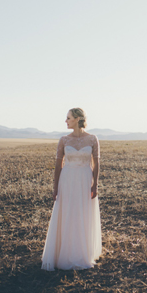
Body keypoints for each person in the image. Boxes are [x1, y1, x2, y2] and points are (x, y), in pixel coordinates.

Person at [41, 107, 102, 270]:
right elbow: (57, 165)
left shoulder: (93, 139)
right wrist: (55, 188)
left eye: (68, 118)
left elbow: (96, 163)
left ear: (77, 119)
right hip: (67, 180)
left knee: (83, 213)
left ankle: (83, 252)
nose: (66, 121)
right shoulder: (63, 140)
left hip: (84, 179)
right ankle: (65, 253)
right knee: (67, 212)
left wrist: (95, 184)